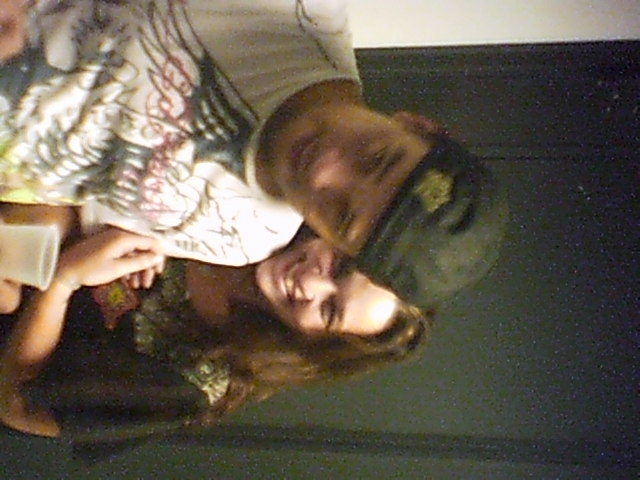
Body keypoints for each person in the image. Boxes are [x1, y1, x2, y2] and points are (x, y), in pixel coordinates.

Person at [0, 0, 508, 313]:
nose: (325, 171)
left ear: (336, 246)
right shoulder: (294, 11)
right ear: (416, 123)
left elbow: (65, 194)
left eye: (341, 215)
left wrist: (19, 257)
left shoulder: (241, 240)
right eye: (375, 158)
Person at [0, 226, 430, 440]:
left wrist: (62, 282)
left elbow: (17, 406)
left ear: (318, 343)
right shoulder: (253, 207)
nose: (311, 283)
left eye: (330, 309)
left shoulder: (190, 381)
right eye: (339, 266)